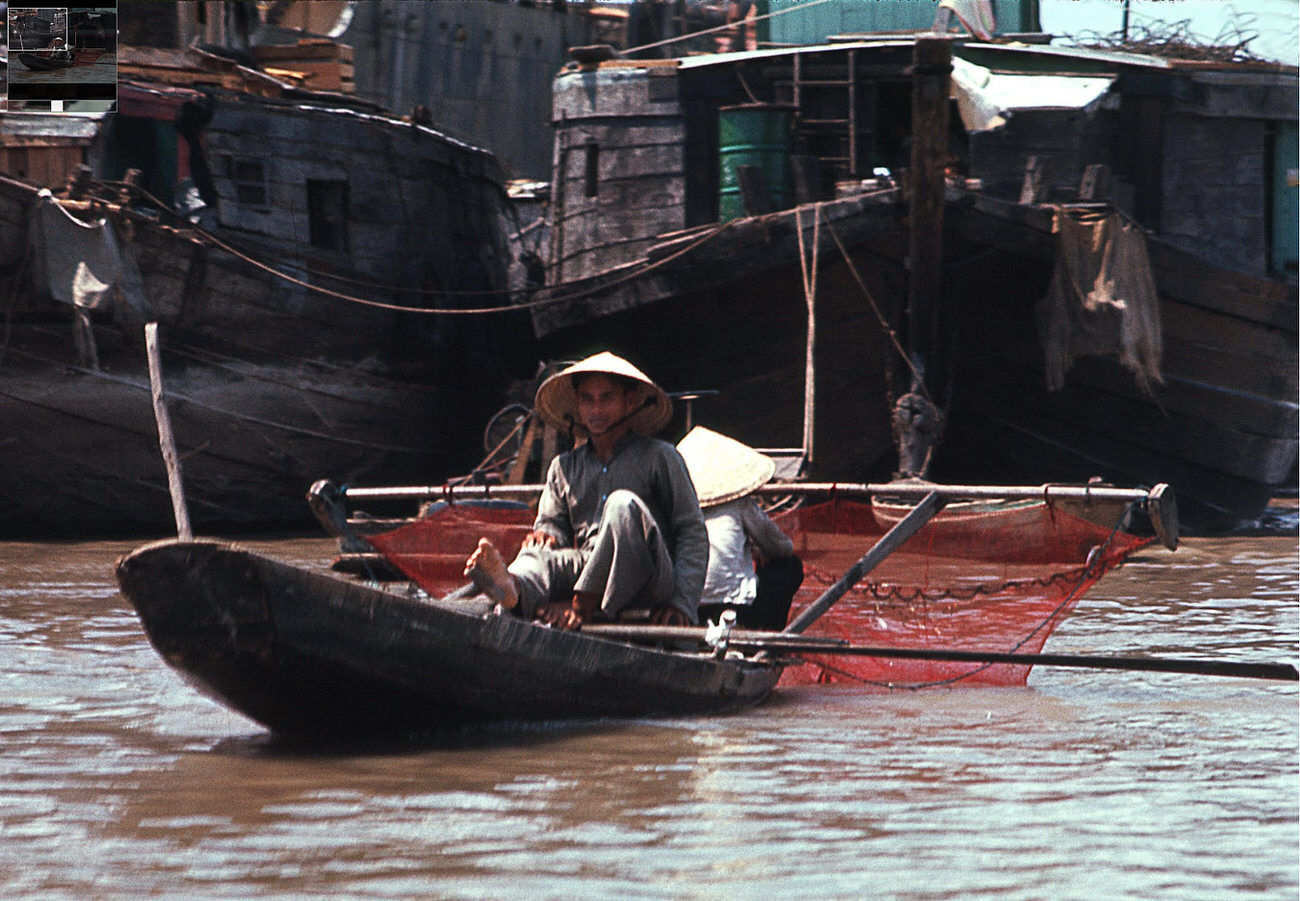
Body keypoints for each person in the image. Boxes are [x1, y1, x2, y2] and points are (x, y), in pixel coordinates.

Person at [465, 352, 707, 631]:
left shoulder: (659, 457)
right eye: (587, 399)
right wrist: (545, 536)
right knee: (536, 554)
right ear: (577, 406)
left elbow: (692, 530)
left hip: (646, 576)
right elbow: (552, 527)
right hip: (586, 566)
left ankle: (581, 605)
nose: (596, 410)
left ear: (629, 402)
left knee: (621, 504)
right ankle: (513, 588)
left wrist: (682, 602)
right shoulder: (563, 467)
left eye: (606, 398)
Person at [676, 426, 804, 632]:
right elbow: (782, 548)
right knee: (789, 567)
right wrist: (761, 553)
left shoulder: (674, 505)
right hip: (730, 606)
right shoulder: (739, 504)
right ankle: (768, 641)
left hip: (680, 606)